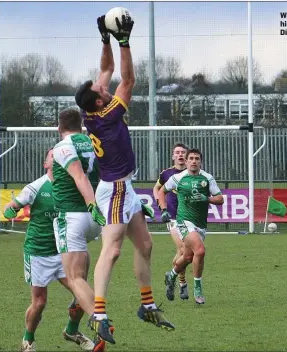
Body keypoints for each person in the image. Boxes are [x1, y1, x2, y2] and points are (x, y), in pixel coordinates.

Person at [74, 14, 174, 346]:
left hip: (123, 187)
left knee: (145, 245)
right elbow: (128, 79)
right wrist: (125, 41)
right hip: (115, 188)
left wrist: (105, 37)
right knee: (113, 249)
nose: (105, 83)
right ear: (101, 100)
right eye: (102, 88)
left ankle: (147, 305)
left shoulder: (94, 107)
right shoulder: (106, 114)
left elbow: (107, 71)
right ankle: (98, 313)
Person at [3, 148, 94, 352]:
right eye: (53, 155)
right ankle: (28, 340)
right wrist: (11, 210)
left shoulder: (72, 186)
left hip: (64, 252)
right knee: (40, 302)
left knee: (82, 294)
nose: (59, 157)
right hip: (38, 252)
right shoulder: (35, 187)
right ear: (46, 164)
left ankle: (72, 330)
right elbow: (11, 206)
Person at [52, 109, 106, 349]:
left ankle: (100, 319)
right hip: (94, 221)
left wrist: (91, 203)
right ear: (82, 126)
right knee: (81, 282)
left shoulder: (63, 147)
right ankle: (72, 330)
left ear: (59, 127)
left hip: (73, 216)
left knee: (73, 278)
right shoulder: (95, 143)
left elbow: (80, 177)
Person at [160, 148, 224, 304]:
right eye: (191, 158)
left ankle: (172, 275)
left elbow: (220, 199)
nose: (194, 161)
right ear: (187, 161)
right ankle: (198, 288)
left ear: (200, 161)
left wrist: (206, 198)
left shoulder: (207, 178)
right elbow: (162, 191)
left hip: (200, 224)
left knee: (188, 257)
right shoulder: (177, 178)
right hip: (183, 221)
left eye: (197, 158)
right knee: (200, 251)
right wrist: (163, 210)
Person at [153, 143, 189, 300]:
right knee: (182, 248)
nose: (180, 155)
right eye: (177, 152)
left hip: (190, 217)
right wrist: (162, 206)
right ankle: (182, 284)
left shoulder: (192, 173)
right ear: (173, 156)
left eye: (183, 152)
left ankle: (172, 276)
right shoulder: (166, 174)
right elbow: (157, 189)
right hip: (173, 217)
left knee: (184, 253)